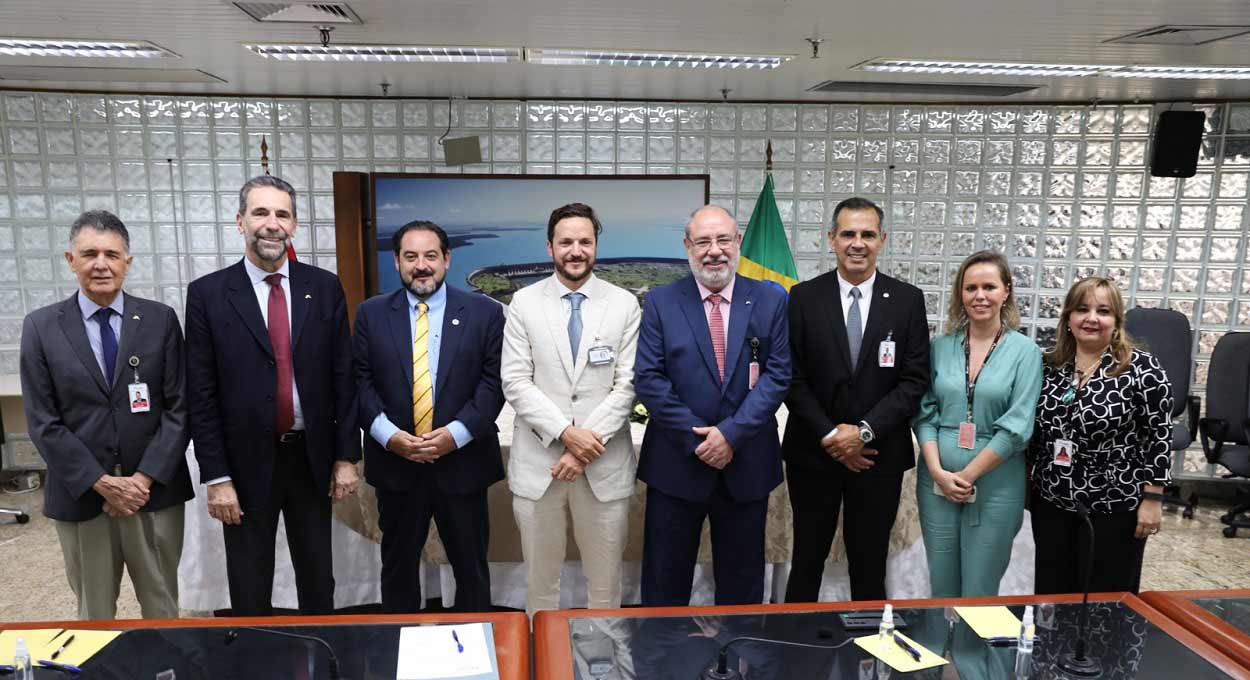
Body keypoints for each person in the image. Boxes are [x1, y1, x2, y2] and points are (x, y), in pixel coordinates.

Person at [185, 175, 360, 616]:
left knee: (319, 580)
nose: (271, 223)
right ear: (240, 221)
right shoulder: (208, 295)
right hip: (243, 466)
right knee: (249, 584)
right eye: (261, 212)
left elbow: (344, 376)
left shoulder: (323, 288)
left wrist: (345, 457)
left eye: (282, 214)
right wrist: (217, 477)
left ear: (295, 225)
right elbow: (201, 393)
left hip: (311, 459)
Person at [20, 209, 193, 619]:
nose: (101, 264)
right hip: (82, 496)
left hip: (153, 494)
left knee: (163, 606)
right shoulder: (41, 327)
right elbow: (44, 422)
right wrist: (103, 483)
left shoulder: (160, 320)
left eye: (112, 254)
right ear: (70, 260)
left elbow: (178, 408)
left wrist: (140, 480)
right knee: (93, 614)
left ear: (127, 263)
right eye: (90, 253)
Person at [634, 205, 791, 606]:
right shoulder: (660, 302)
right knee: (664, 587)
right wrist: (702, 440)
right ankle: (663, 667)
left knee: (742, 589)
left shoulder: (770, 301)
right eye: (703, 241)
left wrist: (731, 435)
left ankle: (737, 667)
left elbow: (777, 376)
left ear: (738, 242)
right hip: (677, 464)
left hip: (747, 465)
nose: (714, 251)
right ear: (687, 246)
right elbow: (649, 379)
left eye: (723, 239)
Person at [353, 220, 505, 613]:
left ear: (447, 260)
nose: (421, 266)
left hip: (463, 465)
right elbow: (359, 383)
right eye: (411, 257)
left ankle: (475, 661)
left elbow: (493, 385)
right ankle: (398, 656)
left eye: (430, 256)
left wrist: (455, 435)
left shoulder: (484, 313)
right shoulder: (371, 314)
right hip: (396, 467)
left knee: (471, 572)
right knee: (398, 570)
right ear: (397, 261)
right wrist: (390, 436)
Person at [783, 196, 930, 602]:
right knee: (807, 561)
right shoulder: (802, 297)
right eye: (848, 233)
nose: (857, 243)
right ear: (831, 238)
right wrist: (832, 436)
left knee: (869, 564)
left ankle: (868, 658)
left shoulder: (907, 300)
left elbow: (914, 381)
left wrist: (863, 433)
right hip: (813, 454)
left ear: (883, 240)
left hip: (878, 456)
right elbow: (791, 379)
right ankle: (796, 653)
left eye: (867, 234)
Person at [501, 203, 641, 616]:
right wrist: (566, 434)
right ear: (550, 248)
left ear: (596, 246)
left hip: (604, 467)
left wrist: (582, 447)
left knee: (604, 585)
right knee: (541, 585)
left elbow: (628, 385)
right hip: (538, 467)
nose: (575, 250)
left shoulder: (624, 304)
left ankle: (604, 664)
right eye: (566, 242)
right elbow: (515, 382)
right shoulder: (523, 303)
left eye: (585, 241)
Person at [911, 250, 1042, 597]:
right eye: (970, 288)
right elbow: (924, 412)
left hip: (996, 483)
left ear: (1006, 291)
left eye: (989, 286)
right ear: (960, 294)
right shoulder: (939, 347)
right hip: (935, 480)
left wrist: (966, 476)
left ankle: (972, 652)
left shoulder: (1026, 352)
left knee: (981, 582)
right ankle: (934, 644)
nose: (979, 296)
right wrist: (939, 472)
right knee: (939, 577)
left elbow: (1018, 426)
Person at [1029, 277, 1172, 594]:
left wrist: (1153, 498)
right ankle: (1054, 646)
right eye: (1082, 309)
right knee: (1051, 597)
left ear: (1117, 321)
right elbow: (1036, 432)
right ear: (1068, 318)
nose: (1091, 318)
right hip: (1052, 502)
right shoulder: (1049, 365)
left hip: (1114, 506)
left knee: (1105, 601)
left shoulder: (1140, 369)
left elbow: (1159, 435)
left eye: (1103, 311)